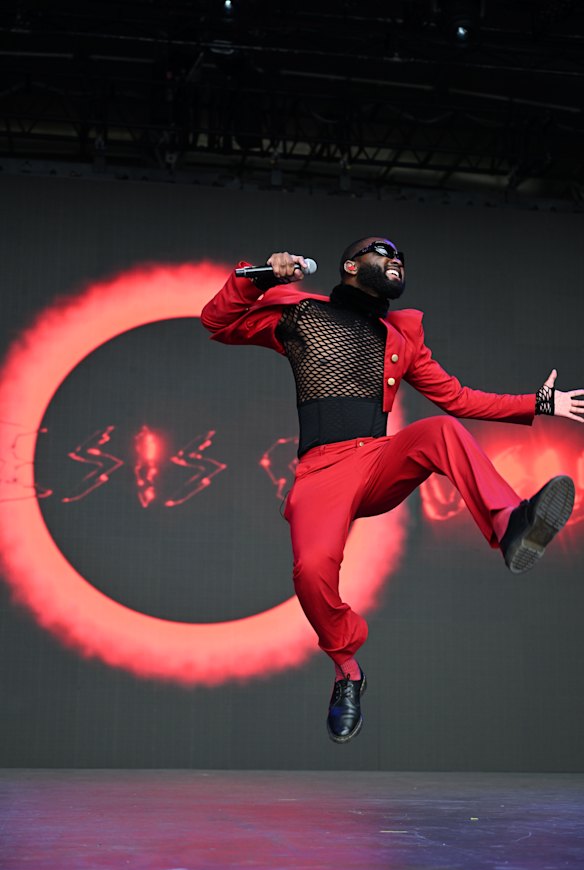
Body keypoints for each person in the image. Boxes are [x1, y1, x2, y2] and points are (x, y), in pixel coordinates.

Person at [201, 237, 583, 744]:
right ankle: (347, 670)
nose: (397, 260)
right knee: (312, 571)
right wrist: (260, 277)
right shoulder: (298, 313)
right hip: (323, 470)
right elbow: (217, 323)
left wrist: (535, 402)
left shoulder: (398, 336)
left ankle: (511, 523)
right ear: (351, 266)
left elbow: (458, 397)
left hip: (377, 460)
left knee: (439, 430)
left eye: (401, 256)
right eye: (384, 254)